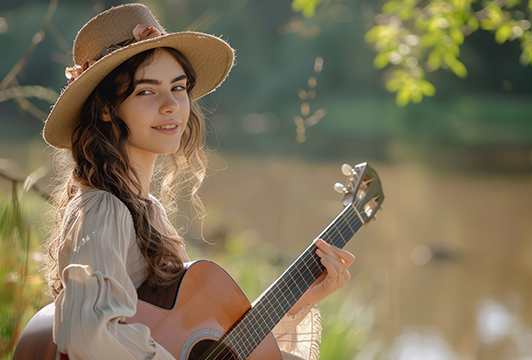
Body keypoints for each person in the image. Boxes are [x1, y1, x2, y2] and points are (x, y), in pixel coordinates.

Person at [41, 3, 355, 360]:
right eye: (146, 91)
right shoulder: (101, 208)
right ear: (105, 108)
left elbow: (196, 337)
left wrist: (300, 298)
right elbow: (88, 333)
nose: (171, 105)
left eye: (178, 87)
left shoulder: (147, 210)